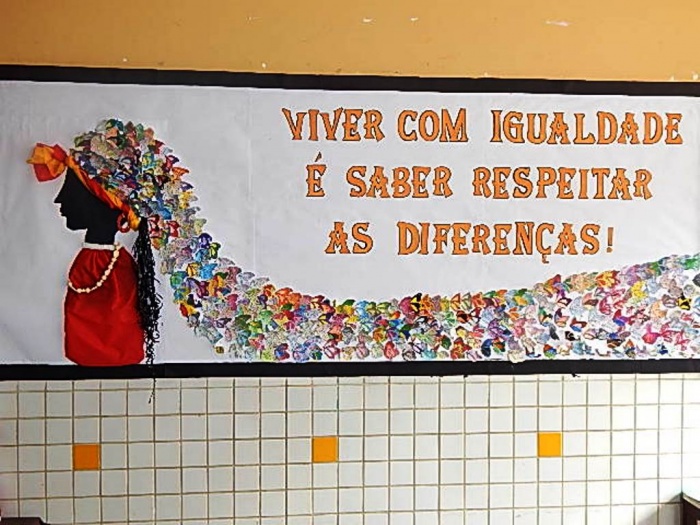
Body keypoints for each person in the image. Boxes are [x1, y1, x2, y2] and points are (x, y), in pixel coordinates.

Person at [27, 135, 161, 367]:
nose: (59, 200)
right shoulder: (91, 262)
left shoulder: (115, 267)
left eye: (72, 191)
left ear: (104, 204)